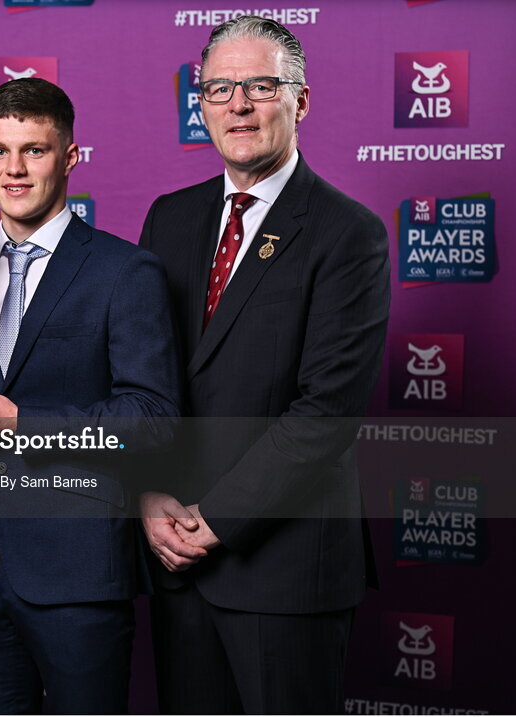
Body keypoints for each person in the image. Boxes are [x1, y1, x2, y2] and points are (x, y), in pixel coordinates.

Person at [138, 15, 390, 714]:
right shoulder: (170, 219)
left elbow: (324, 415)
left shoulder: (348, 234)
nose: (238, 105)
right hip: (176, 567)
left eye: (259, 85)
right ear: (202, 105)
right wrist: (149, 497)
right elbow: (145, 381)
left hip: (284, 574)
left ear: (300, 102)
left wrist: (209, 522)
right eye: (219, 89)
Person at [0, 78, 180, 714]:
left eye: (34, 150)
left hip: (77, 572)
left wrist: (16, 420)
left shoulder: (125, 271)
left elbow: (154, 420)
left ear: (71, 156)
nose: (14, 169)